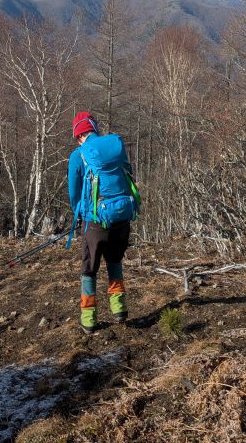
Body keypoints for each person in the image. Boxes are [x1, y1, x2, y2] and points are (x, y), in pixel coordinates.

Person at [67, 111, 139, 334]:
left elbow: (74, 192)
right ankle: (119, 310)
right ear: (94, 129)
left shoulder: (78, 155)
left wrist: (79, 213)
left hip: (95, 221)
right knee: (115, 261)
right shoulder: (115, 149)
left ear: (79, 135)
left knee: (89, 269)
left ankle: (88, 320)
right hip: (122, 217)